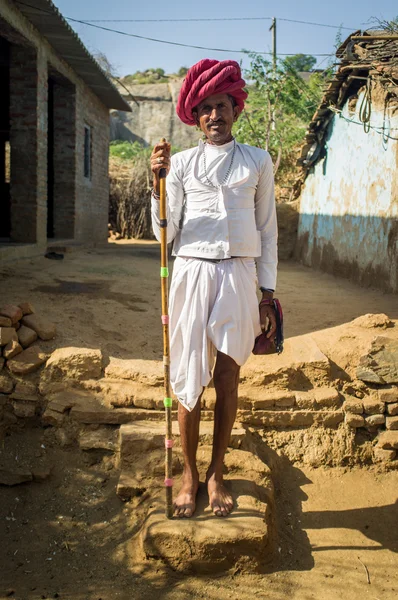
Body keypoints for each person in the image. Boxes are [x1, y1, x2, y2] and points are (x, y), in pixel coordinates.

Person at [150, 59, 278, 519]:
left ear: (235, 109)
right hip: (191, 272)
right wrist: (156, 184)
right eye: (204, 108)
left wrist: (268, 293)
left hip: (239, 275)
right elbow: (165, 232)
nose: (214, 116)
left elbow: (267, 232)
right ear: (195, 116)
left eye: (221, 105)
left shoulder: (258, 161)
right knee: (187, 378)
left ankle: (216, 472)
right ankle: (188, 474)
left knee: (227, 376)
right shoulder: (181, 165)